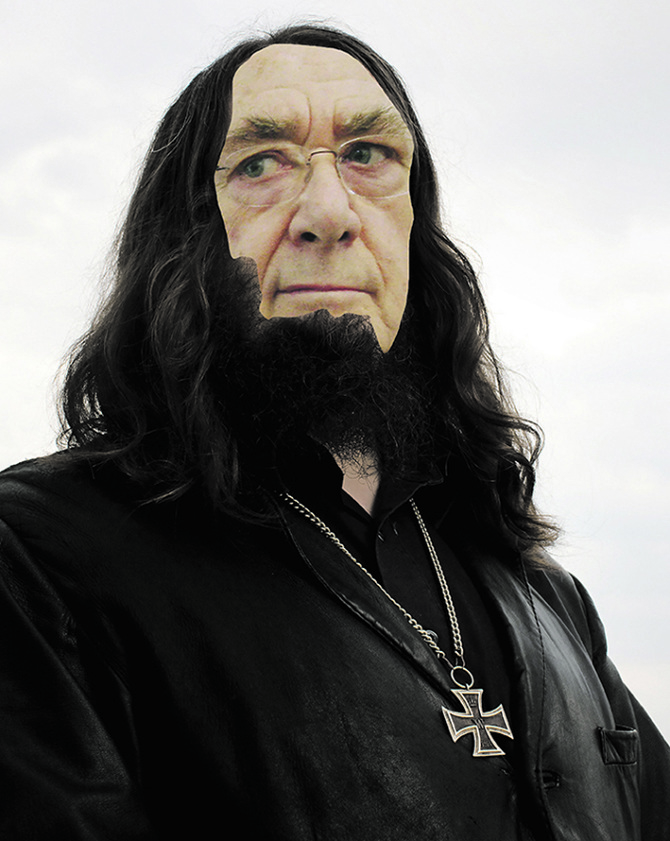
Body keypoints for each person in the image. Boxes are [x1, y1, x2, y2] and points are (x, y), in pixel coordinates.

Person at [0, 23, 668, 841]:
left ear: (413, 229)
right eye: (261, 163)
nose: (328, 212)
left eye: (367, 156)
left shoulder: (549, 599)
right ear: (182, 234)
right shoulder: (37, 556)